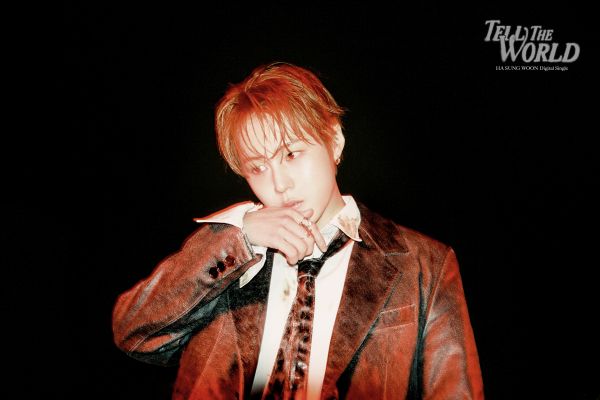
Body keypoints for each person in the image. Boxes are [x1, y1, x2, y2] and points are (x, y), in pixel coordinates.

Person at [112, 62, 484, 399]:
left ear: (335, 141)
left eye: (291, 154)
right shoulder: (226, 248)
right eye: (258, 168)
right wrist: (241, 240)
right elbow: (133, 334)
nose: (280, 184)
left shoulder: (424, 264)